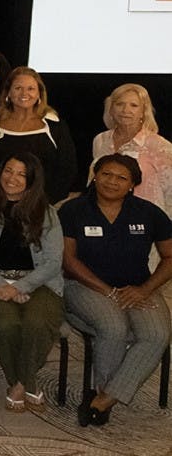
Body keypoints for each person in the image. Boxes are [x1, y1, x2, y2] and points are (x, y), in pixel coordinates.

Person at [61, 154, 172, 427]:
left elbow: (170, 257)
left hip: (137, 288)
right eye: (106, 174)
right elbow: (68, 261)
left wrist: (145, 289)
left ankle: (104, 399)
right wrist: (108, 291)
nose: (112, 181)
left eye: (122, 177)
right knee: (113, 326)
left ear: (133, 184)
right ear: (94, 176)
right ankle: (104, 393)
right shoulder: (73, 210)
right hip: (85, 286)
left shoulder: (148, 213)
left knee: (157, 334)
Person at [0, 152, 65, 412]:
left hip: (39, 283)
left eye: (21, 174)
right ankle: (27, 383)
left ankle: (19, 386)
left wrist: (20, 287)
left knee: (37, 323)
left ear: (32, 180)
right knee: (5, 323)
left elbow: (53, 261)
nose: (12, 178)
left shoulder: (46, 212)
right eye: (8, 171)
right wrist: (2, 284)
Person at [0, 67, 76, 204]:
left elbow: (67, 168)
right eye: (18, 88)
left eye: (30, 89)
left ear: (39, 93)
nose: (24, 93)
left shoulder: (54, 125)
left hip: (43, 205)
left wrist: (44, 202)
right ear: (8, 93)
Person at [91, 83, 172, 214]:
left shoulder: (159, 145)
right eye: (119, 104)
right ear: (111, 109)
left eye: (133, 105)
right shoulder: (100, 140)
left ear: (143, 112)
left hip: (148, 219)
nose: (125, 110)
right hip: (107, 216)